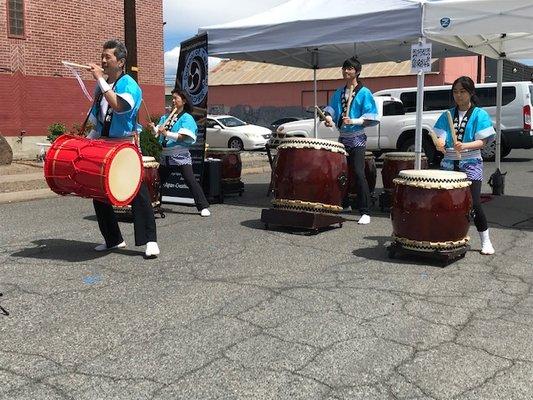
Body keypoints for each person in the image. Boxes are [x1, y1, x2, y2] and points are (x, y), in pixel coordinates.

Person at [86, 39, 159, 258]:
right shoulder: (101, 87)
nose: (103, 60)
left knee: (136, 191)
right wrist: (88, 140)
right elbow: (98, 120)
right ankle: (113, 239)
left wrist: (100, 78)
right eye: (103, 56)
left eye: (108, 57)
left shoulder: (129, 84)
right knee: (99, 193)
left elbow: (118, 106)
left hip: (124, 145)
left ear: (121, 62)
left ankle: (150, 240)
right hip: (104, 145)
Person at [433, 76, 495, 255]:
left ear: (471, 93)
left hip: (471, 163)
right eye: (455, 92)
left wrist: (465, 145)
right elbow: (441, 137)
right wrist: (441, 143)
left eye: (462, 91)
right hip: (449, 163)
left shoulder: (479, 114)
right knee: (446, 202)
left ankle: (485, 240)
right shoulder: (447, 114)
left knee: (474, 203)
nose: (458, 95)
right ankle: (446, 235)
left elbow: (483, 142)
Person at [323, 57, 380, 224]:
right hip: (343, 138)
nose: (346, 71)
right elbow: (331, 109)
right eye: (344, 68)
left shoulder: (364, 92)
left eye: (350, 69)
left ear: (357, 72)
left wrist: (354, 121)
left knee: (358, 172)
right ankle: (344, 203)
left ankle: (365, 211)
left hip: (357, 138)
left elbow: (371, 116)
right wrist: (328, 117)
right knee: (342, 173)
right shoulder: (339, 92)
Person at [149, 89, 211, 217]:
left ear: (183, 101)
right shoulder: (165, 117)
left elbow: (184, 137)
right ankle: (153, 204)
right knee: (158, 181)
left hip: (179, 155)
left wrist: (167, 133)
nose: (173, 101)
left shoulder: (186, 118)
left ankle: (203, 206)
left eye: (175, 98)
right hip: (165, 155)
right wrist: (153, 128)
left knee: (190, 180)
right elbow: (157, 133)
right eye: (172, 98)